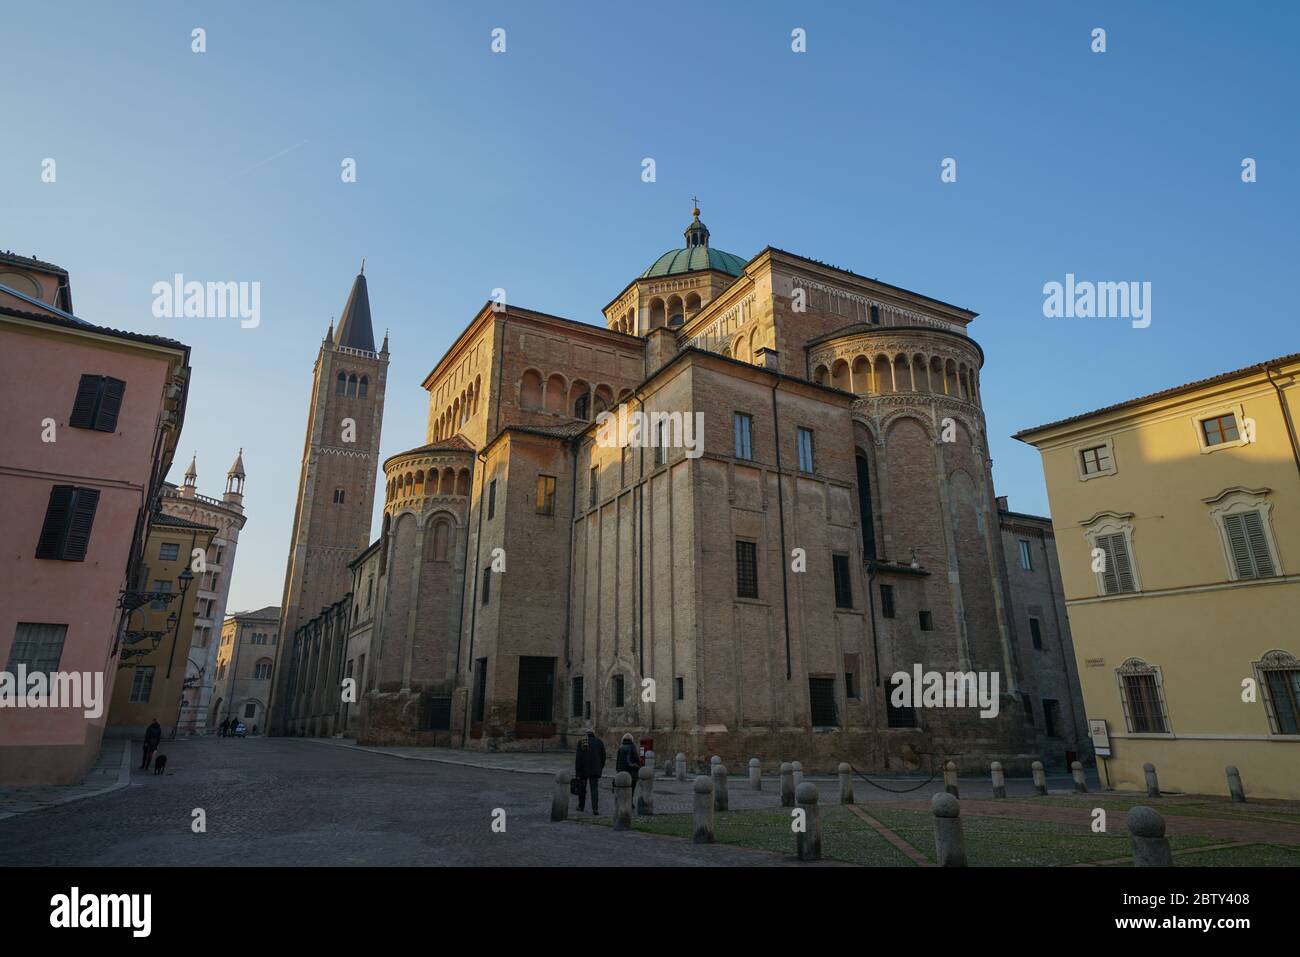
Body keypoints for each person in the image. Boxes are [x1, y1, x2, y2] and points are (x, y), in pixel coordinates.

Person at [574, 728, 606, 814]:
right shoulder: (599, 742)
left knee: (582, 789)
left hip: (583, 770)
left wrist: (577, 771)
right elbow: (603, 757)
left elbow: (578, 758)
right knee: (594, 789)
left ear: (586, 734)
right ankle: (595, 809)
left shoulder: (582, 742)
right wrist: (600, 767)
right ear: (593, 734)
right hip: (595, 769)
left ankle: (581, 806)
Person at [615, 732, 640, 808]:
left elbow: (618, 760)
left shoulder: (621, 747)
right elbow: (636, 759)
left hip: (621, 771)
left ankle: (621, 802)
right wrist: (637, 766)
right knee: (631, 789)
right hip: (631, 772)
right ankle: (630, 802)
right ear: (631, 739)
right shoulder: (632, 747)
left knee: (622, 788)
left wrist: (618, 770)